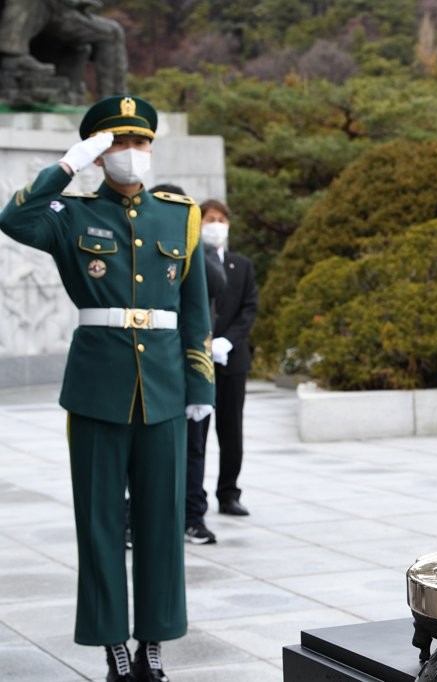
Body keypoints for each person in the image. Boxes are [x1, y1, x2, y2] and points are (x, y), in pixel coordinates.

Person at [0, 95, 215, 682]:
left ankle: (154, 644)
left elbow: (196, 311)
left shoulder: (181, 215)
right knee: (98, 523)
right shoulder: (69, 215)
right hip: (97, 387)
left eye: (141, 142)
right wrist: (67, 165)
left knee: (162, 523)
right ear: (98, 153)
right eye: (118, 144)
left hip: (167, 387)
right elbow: (12, 217)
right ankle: (111, 643)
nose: (132, 154)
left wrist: (202, 384)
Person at [150, 183, 227, 546]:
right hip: (154, 363)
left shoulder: (195, 245)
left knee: (195, 444)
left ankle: (192, 516)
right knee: (147, 446)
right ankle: (138, 515)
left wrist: (195, 239)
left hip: (193, 362)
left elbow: (217, 280)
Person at [186, 198, 258, 531]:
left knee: (231, 430)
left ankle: (228, 493)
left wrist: (227, 341)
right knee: (196, 432)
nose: (216, 225)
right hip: (199, 359)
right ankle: (192, 500)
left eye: (221, 219)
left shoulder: (240, 264)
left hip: (232, 358)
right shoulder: (191, 259)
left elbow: (249, 307)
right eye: (209, 219)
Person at [0, 0, 127, 98]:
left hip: (61, 13)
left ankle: (115, 102)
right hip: (31, 13)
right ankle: (14, 58)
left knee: (113, 32)